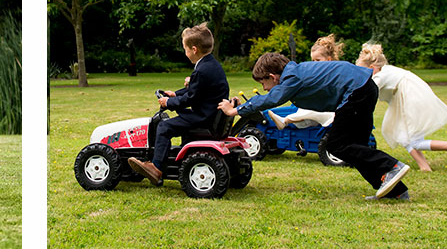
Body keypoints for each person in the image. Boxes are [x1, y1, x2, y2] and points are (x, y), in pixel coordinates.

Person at [219, 52, 412, 200]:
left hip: (356, 91)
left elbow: (273, 99)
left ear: (273, 76)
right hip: (364, 88)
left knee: (336, 145)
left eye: (264, 82)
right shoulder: (295, 73)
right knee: (358, 146)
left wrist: (235, 111)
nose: (265, 88)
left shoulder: (291, 77)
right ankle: (396, 192)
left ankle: (392, 166)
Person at [127, 23, 229, 186]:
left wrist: (169, 102)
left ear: (194, 49)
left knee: (164, 127)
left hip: (203, 117)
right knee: (169, 124)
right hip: (210, 112)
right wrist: (176, 94)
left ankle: (156, 167)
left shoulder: (201, 70)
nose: (185, 53)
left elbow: (191, 99)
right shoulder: (212, 65)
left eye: (186, 49)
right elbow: (197, 91)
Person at [355, 42, 447, 172]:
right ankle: (424, 167)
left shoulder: (380, 76)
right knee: (404, 136)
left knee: (414, 141)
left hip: (411, 98)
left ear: (372, 68)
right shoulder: (386, 70)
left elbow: (365, 92)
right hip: (405, 99)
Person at [268, 34, 346, 130]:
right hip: (324, 107)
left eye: (317, 60)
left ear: (329, 60)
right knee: (306, 109)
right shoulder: (318, 74)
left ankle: (285, 120)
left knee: (312, 110)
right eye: (312, 61)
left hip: (331, 110)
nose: (314, 64)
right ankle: (286, 120)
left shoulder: (332, 73)